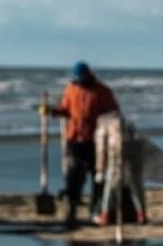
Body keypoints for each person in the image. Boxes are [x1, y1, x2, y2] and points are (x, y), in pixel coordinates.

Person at [49, 61, 117, 226]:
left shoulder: (102, 91)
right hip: (75, 138)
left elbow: (113, 113)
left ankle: (96, 209)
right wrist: (52, 111)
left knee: (97, 177)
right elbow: (66, 109)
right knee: (73, 176)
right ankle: (71, 210)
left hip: (96, 141)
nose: (80, 81)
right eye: (77, 78)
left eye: (82, 78)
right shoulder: (71, 89)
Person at [93, 111, 147, 225]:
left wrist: (100, 170)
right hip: (135, 146)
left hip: (117, 147)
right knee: (135, 183)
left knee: (111, 183)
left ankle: (105, 215)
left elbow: (101, 150)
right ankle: (141, 214)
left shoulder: (102, 125)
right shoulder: (125, 122)